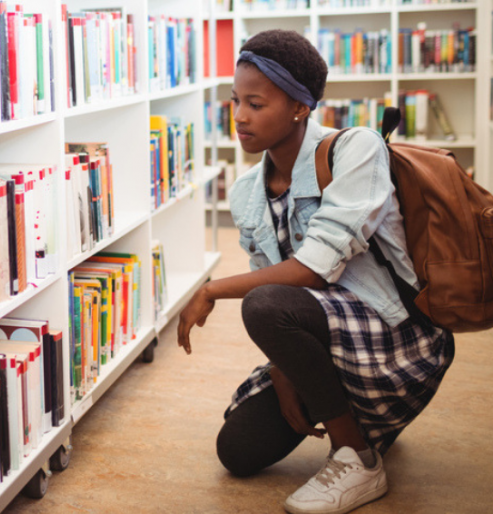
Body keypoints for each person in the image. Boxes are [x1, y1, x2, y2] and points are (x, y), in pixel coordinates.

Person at [177, 29, 454, 514]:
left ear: (300, 106)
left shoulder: (357, 148)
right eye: (235, 101)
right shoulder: (247, 190)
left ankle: (359, 457)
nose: (239, 117)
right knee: (237, 451)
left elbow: (313, 269)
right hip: (321, 334)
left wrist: (213, 289)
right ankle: (366, 421)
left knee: (262, 302)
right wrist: (284, 371)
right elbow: (273, 278)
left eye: (257, 104)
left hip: (392, 336)